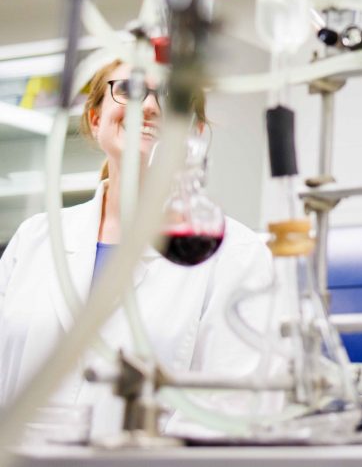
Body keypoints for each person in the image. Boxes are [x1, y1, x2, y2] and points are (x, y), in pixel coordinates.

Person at [0, 60, 273, 438]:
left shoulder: (233, 253)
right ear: (96, 120)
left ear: (193, 135)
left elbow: (230, 407)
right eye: (128, 89)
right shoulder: (35, 238)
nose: (148, 106)